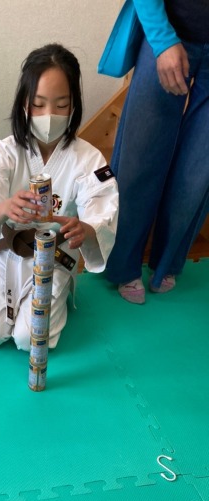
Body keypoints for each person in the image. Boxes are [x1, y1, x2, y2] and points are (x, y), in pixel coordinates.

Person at [0, 43, 118, 350]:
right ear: (24, 103)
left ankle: (58, 297)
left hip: (54, 255)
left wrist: (85, 230)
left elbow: (103, 212)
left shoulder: (89, 159)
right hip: (8, 249)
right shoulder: (5, 152)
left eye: (61, 104)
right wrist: (6, 208)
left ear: (74, 105)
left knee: (28, 338)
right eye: (38, 104)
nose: (49, 115)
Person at [104, 0, 209, 304]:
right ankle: (123, 265)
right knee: (139, 159)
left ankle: (168, 263)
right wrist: (162, 41)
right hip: (167, 29)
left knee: (199, 171)